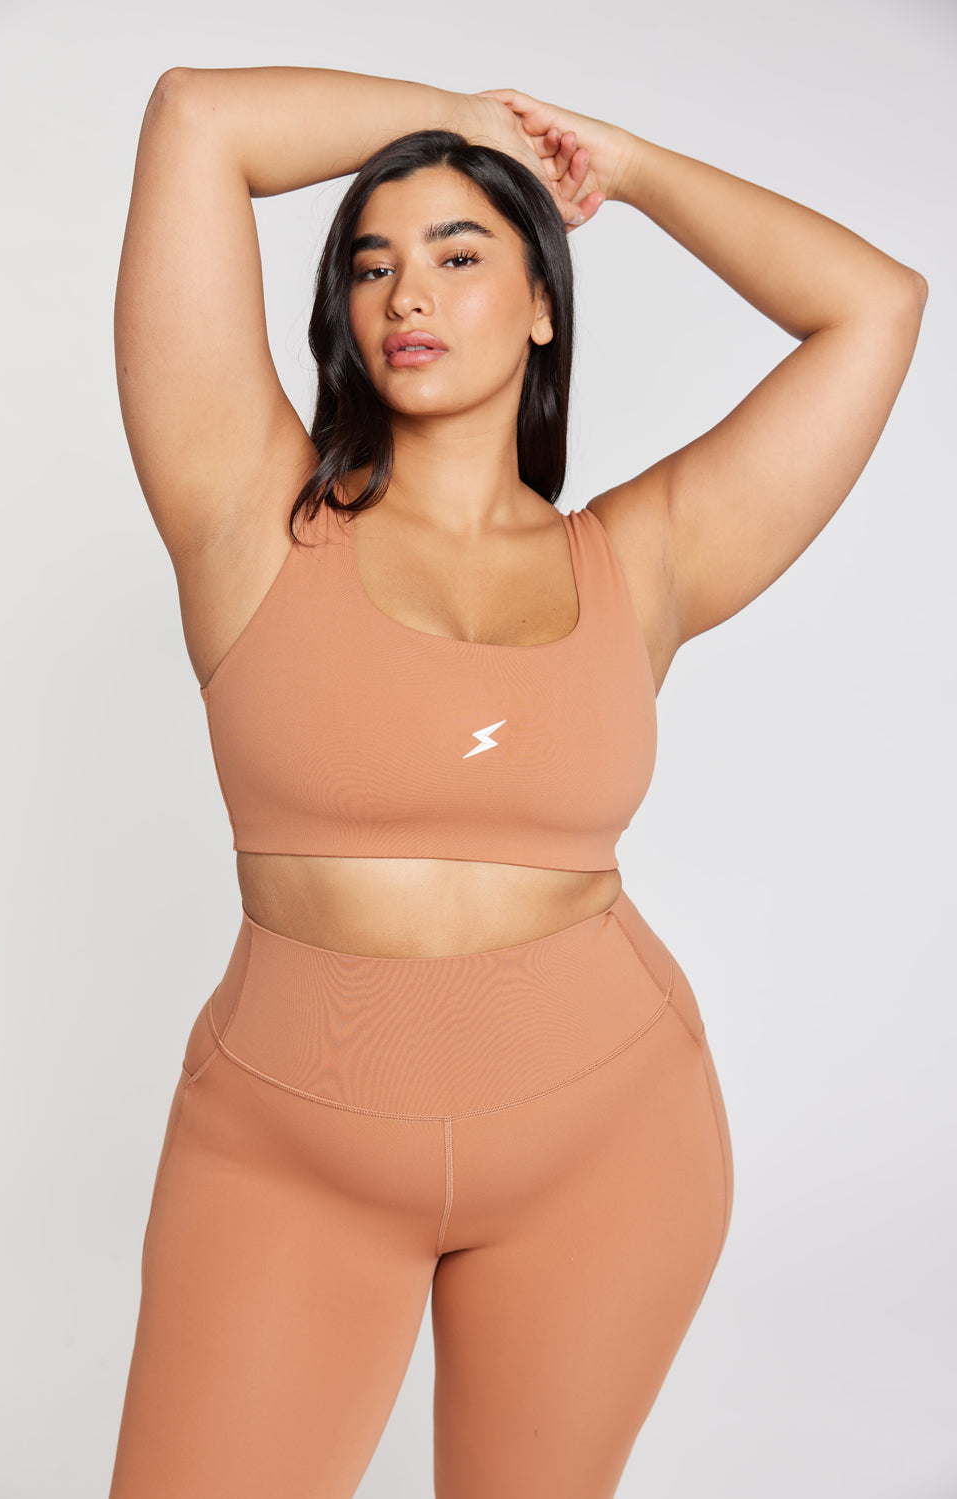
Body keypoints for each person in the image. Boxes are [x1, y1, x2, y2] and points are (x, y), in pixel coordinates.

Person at [107, 65, 927, 1499]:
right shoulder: (249, 512)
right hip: (291, 1147)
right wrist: (469, 127)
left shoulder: (642, 559)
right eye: (372, 265)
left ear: (545, 299)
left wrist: (626, 164)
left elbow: (877, 305)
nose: (405, 296)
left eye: (459, 254)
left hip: (604, 1143)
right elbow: (196, 120)